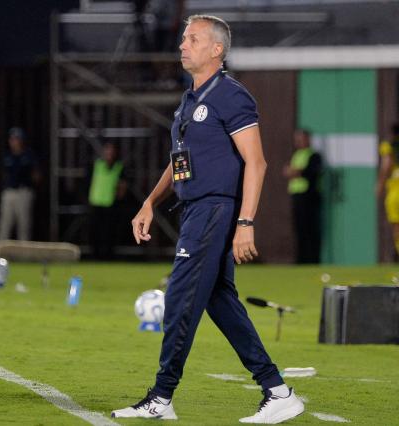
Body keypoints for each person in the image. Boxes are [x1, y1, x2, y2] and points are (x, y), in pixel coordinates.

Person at [111, 15, 304, 423]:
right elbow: (179, 164)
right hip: (194, 210)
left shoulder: (231, 96)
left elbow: (257, 162)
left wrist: (245, 223)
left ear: (217, 49)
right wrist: (150, 201)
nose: (182, 45)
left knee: (180, 299)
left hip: (216, 210)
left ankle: (161, 397)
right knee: (219, 302)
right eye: (183, 38)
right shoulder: (190, 99)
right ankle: (277, 389)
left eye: (192, 39)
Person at [0, 127, 40, 244]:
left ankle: (25, 254)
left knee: (24, 224)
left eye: (17, 139)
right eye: (12, 139)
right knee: (5, 223)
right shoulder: (7, 156)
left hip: (23, 192)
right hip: (9, 192)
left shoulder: (29, 155)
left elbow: (37, 175)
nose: (14, 141)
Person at [283, 129, 322, 264]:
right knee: (300, 230)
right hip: (297, 196)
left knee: (311, 229)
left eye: (301, 138)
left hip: (309, 197)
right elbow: (289, 171)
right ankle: (301, 260)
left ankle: (313, 260)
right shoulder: (296, 154)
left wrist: (296, 171)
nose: (298, 141)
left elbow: (310, 172)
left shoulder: (314, 155)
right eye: (297, 139)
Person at [88, 141, 128, 259]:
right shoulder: (96, 165)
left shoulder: (119, 167)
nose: (109, 153)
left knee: (109, 233)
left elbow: (123, 185)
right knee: (94, 232)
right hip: (95, 202)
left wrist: (120, 195)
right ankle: (94, 256)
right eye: (107, 150)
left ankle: (108, 256)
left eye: (111, 151)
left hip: (111, 204)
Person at [377, 123, 399, 257]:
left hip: (396, 190)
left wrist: (380, 185)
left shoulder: (389, 146)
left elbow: (386, 165)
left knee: (397, 226)